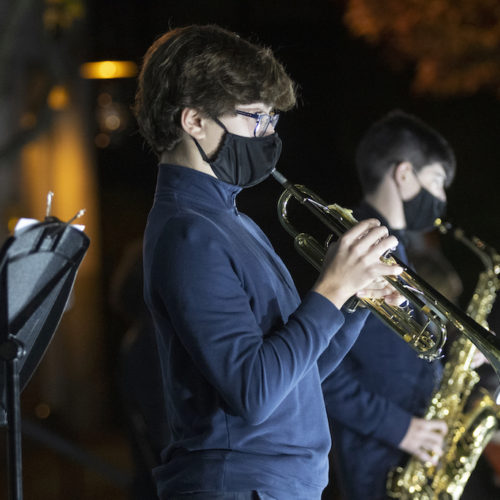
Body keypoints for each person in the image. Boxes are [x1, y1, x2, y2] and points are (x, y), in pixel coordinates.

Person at [134, 25, 404, 500]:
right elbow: (253, 392)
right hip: (240, 487)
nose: (270, 134)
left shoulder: (230, 221)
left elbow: (294, 378)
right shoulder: (188, 233)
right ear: (194, 121)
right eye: (255, 118)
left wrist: (353, 301)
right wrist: (330, 290)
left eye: (272, 119)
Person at [322, 110, 457, 500]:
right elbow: (322, 372)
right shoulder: (357, 249)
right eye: (437, 181)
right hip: (375, 458)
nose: (441, 199)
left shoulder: (395, 247)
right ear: (404, 174)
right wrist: (403, 429)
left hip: (401, 449)